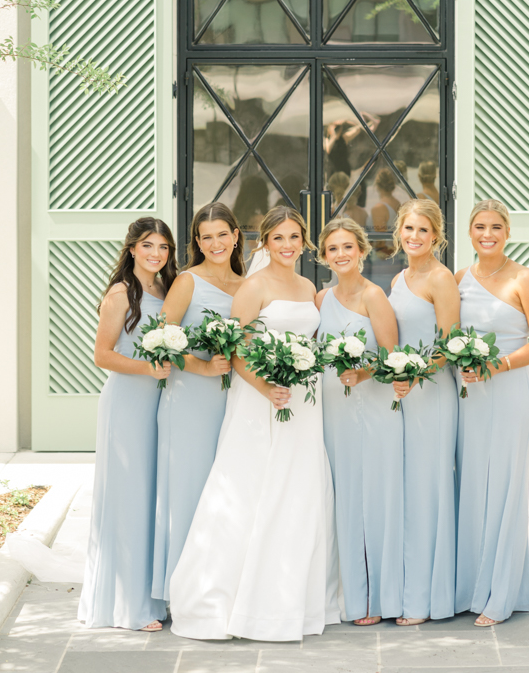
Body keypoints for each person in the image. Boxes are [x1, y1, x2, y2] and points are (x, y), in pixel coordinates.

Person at [169, 207, 340, 642]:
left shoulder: (308, 287)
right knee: (250, 486)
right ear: (263, 242)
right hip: (258, 398)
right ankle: (228, 600)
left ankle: (289, 595)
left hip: (303, 400)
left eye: (294, 237)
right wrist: (266, 388)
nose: (287, 245)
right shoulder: (253, 286)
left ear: (304, 242)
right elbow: (239, 350)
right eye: (278, 238)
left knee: (297, 489)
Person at [455, 199, 529, 626]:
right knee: (474, 488)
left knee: (507, 491)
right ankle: (474, 585)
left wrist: (501, 363)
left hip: (511, 394)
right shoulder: (460, 278)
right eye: (480, 226)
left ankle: (502, 594)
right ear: (470, 231)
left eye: (496, 226)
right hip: (469, 400)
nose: (487, 234)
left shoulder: (525, 279)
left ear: (507, 232)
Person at [78, 218, 177, 631]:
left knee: (155, 497)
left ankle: (155, 595)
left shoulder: (167, 289)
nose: (156, 253)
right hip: (128, 403)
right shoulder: (122, 293)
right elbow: (102, 355)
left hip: (163, 402)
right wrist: (147, 368)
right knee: (130, 497)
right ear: (132, 248)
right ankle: (127, 605)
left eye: (164, 247)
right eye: (148, 245)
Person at [152, 203, 245, 601]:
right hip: (189, 400)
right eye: (206, 237)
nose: (215, 243)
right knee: (188, 490)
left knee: (222, 494)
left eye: (222, 234)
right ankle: (178, 591)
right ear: (197, 243)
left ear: (236, 236)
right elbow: (159, 344)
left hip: (233, 402)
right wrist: (204, 368)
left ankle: (215, 586)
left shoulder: (247, 286)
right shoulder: (188, 281)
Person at [317, 217, 403, 625]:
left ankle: (377, 598)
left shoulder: (375, 297)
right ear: (323, 255)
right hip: (334, 410)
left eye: (347, 247)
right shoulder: (321, 299)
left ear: (362, 251)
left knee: (373, 497)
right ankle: (350, 593)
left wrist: (363, 372)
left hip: (371, 407)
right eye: (332, 248)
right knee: (345, 497)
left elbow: (391, 355)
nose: (340, 254)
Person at [388, 199, 460, 624]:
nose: (414, 237)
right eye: (408, 229)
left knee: (427, 490)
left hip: (431, 394)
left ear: (436, 235)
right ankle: (406, 589)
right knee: (406, 490)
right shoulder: (399, 277)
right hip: (401, 394)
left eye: (423, 230)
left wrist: (416, 374)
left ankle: (426, 600)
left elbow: (448, 345)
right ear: (400, 232)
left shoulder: (441, 278)